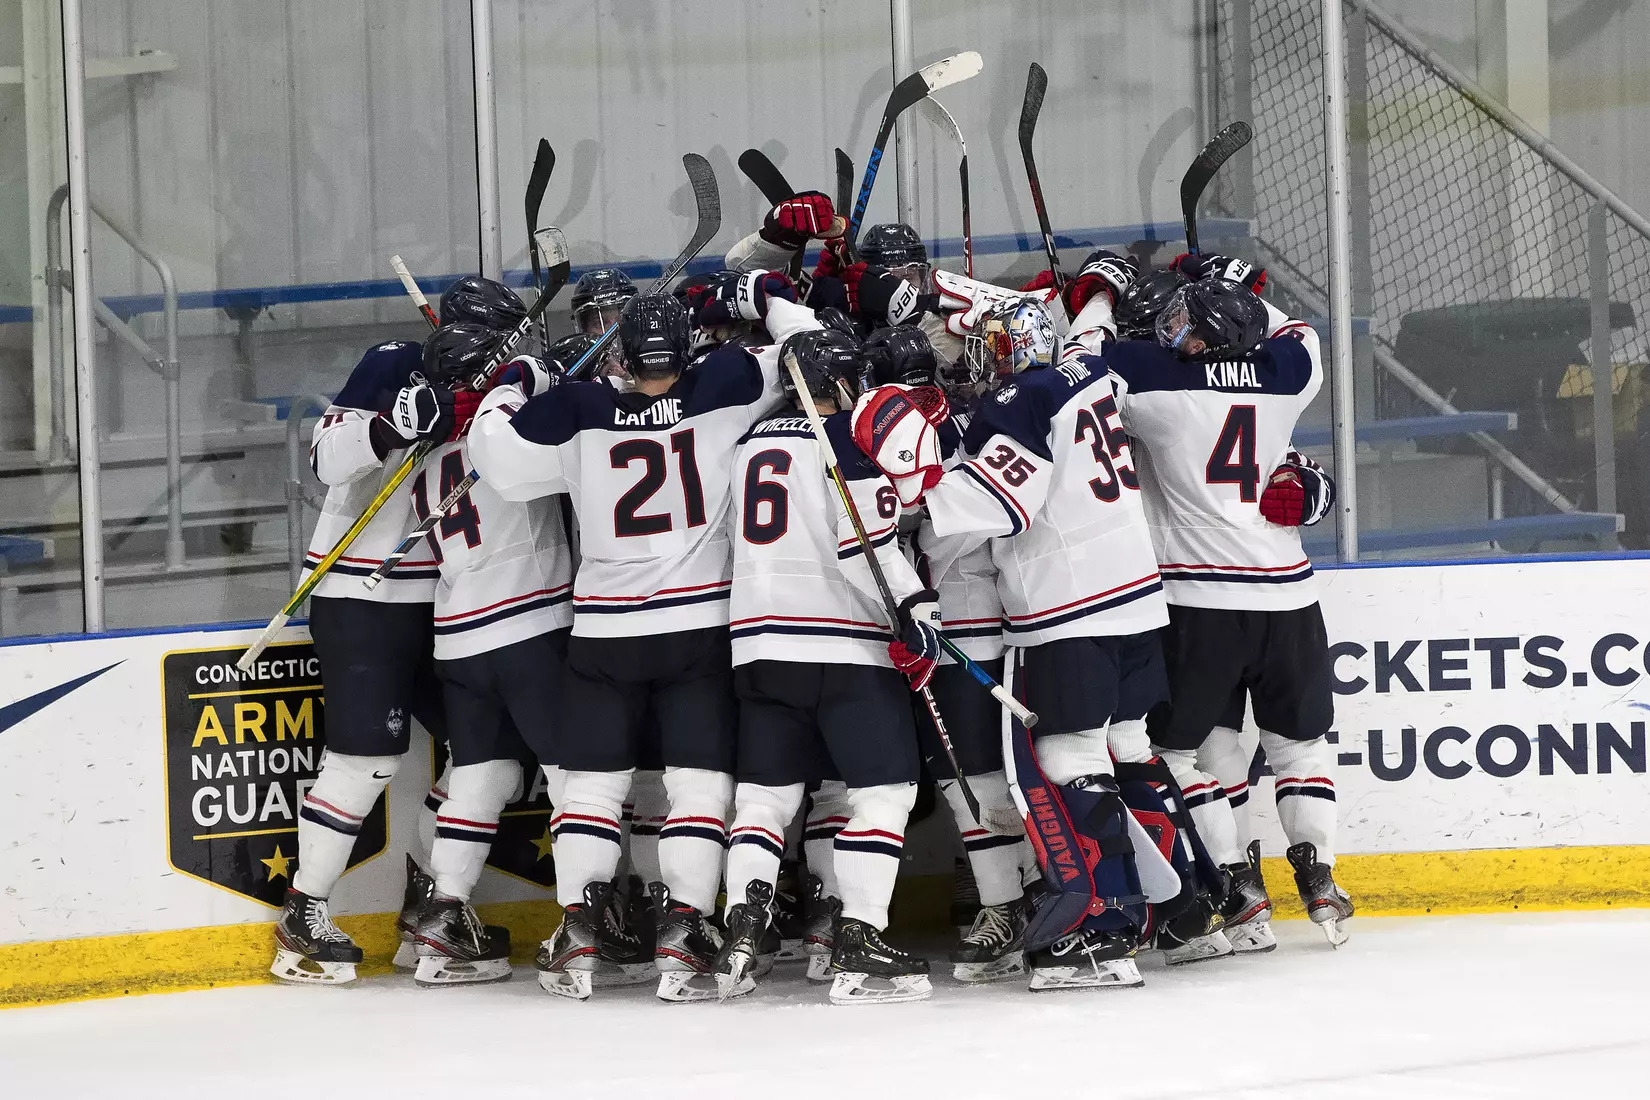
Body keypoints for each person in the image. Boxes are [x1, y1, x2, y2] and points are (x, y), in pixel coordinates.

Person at [466, 282, 814, 1002]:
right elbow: (804, 347)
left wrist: (515, 382)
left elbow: (493, 458)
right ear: (688, 350)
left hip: (603, 632)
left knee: (592, 787)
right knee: (697, 786)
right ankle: (685, 931)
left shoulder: (577, 408)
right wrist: (764, 293)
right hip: (697, 628)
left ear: (620, 354)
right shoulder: (725, 383)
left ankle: (578, 933)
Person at [852, 295, 1183, 990]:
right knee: (1126, 747)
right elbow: (1091, 342)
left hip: (1069, 606)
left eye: (983, 347)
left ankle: (1100, 930)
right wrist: (1089, 298)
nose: (973, 364)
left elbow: (995, 504)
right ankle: (1180, 904)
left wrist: (917, 491)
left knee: (1066, 758)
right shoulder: (1088, 375)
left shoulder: (1021, 400)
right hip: (1136, 598)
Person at [1084, 262, 1352, 948]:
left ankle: (1236, 879)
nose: (1171, 330)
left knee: (1179, 752)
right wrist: (1242, 286)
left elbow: (1081, 362)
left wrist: (1096, 294)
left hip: (1196, 602)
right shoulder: (1288, 376)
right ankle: (1318, 870)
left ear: (1204, 337)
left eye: (1184, 323)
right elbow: (1301, 334)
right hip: (1289, 596)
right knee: (1299, 746)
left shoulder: (1149, 377)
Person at [270, 276, 524, 984]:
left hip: (446, 602)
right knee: (366, 761)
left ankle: (430, 910)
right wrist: (393, 427)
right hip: (361, 591)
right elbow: (324, 458)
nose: (499, 352)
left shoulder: (501, 395)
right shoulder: (394, 364)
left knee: (489, 756)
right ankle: (303, 914)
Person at [714, 327, 936, 1005]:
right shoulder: (844, 437)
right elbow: (862, 549)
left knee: (765, 797)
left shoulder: (745, 442)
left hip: (756, 642)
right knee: (884, 791)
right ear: (843, 382)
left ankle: (744, 925)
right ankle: (860, 942)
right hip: (840, 645)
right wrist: (915, 615)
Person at [401, 325, 575, 987]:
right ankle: (582, 921)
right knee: (573, 775)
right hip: (529, 627)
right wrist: (543, 376)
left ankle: (444, 916)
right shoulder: (501, 437)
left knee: (482, 774)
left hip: (460, 638)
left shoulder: (426, 459)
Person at [866, 324, 1039, 984]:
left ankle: (1011, 906)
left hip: (967, 625)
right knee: (961, 782)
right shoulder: (925, 419)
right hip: (932, 626)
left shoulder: (939, 427)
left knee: (982, 783)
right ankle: (1014, 902)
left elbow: (962, 518)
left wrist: (907, 539)